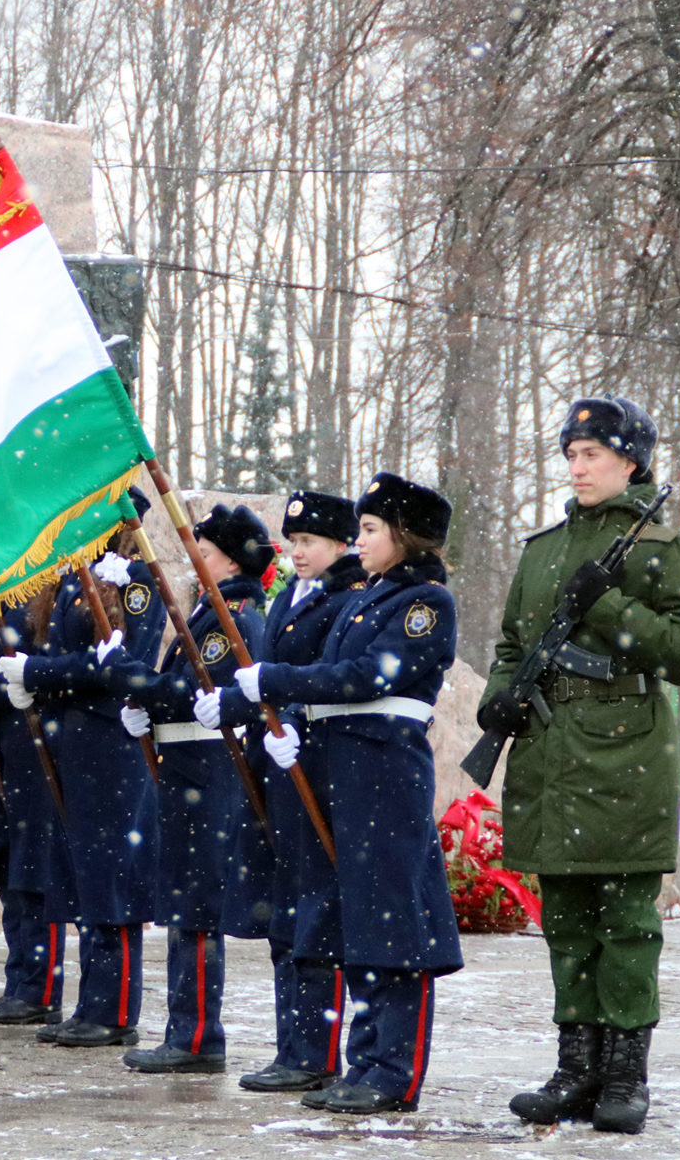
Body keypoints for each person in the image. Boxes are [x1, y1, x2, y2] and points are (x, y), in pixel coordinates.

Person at [481, 398, 680, 1134]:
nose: (577, 467)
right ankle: (575, 1068)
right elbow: (513, 645)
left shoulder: (663, 546)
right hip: (551, 753)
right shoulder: (543, 549)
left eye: (592, 454)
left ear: (630, 461)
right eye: (571, 454)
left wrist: (612, 608)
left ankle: (623, 1074)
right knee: (565, 922)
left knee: (625, 924)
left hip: (624, 755)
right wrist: (498, 700)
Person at [213, 473, 462, 1114]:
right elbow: (330, 674)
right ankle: (363, 1060)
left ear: (404, 536)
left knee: (391, 927)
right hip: (343, 772)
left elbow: (367, 675)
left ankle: (393, 1071)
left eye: (372, 529)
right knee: (356, 925)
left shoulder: (426, 602)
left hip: (384, 774)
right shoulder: (365, 598)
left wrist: (275, 680)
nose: (361, 539)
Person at [197, 490, 366, 1093]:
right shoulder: (292, 596)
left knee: (316, 915)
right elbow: (265, 677)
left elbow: (323, 679)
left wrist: (289, 717)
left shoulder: (348, 598)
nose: (298, 552)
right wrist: (229, 703)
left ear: (341, 545)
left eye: (310, 542)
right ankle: (290, 1046)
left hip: (313, 765)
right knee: (285, 913)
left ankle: (313, 1053)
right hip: (275, 767)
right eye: (293, 542)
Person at [95, 503, 274, 1074]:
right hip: (185, 767)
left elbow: (196, 692)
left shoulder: (233, 617)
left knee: (194, 906)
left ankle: (197, 1036)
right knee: (182, 902)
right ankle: (187, 1030)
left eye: (208, 551)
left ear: (232, 561)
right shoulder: (210, 611)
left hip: (206, 771)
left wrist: (127, 673)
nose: (198, 559)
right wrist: (145, 711)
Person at [1, 521, 166, 1048]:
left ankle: (113, 1011)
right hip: (72, 743)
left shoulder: (136, 579)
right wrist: (31, 678)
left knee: (110, 879)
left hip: (111, 745)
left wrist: (38, 674)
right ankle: (91, 1002)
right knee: (83, 881)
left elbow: (119, 663)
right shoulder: (75, 577)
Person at [0, 607, 70, 1026]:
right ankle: (19, 979)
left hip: (35, 731)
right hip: (2, 730)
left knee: (34, 866)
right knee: (10, 863)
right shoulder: (8, 592)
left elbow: (44, 665)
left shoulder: (47, 587)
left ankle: (39, 988)